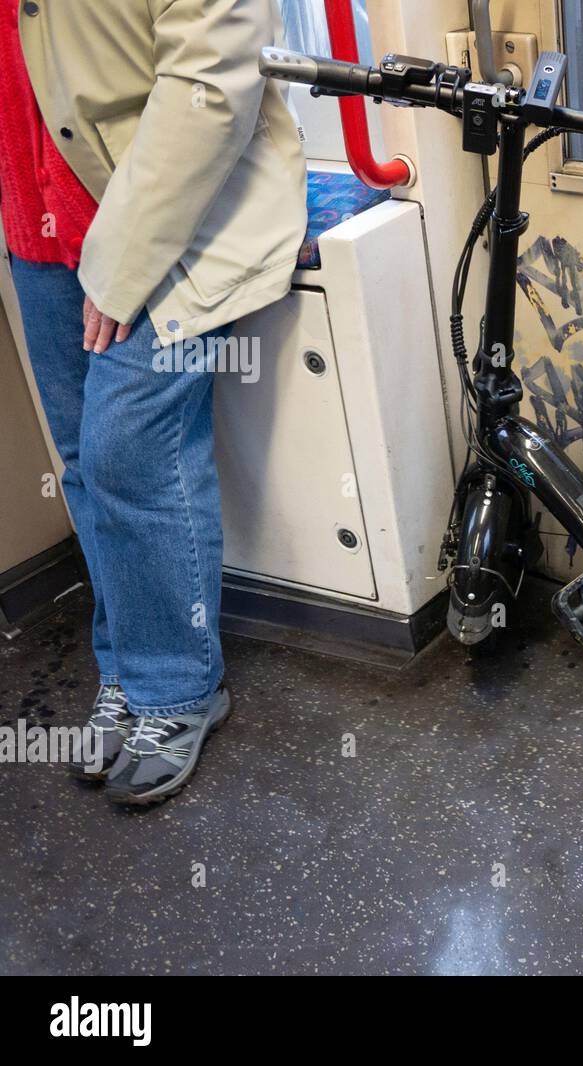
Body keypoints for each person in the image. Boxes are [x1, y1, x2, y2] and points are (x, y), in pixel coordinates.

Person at [1, 0, 307, 803]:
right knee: (80, 460)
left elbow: (211, 79)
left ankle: (178, 689)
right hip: (34, 220)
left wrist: (125, 260)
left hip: (168, 220)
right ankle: (130, 676)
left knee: (128, 454)